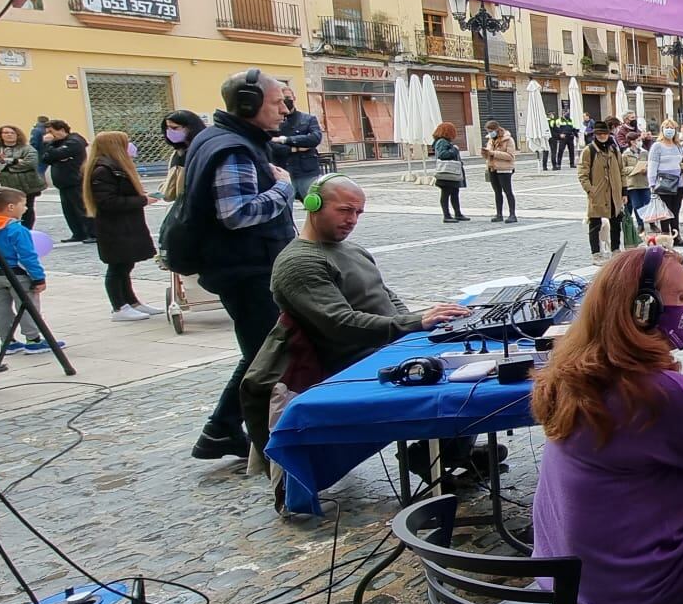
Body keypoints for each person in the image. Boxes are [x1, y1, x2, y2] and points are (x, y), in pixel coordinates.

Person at [532, 246, 683, 604]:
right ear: (643, 309)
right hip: (627, 601)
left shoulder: (580, 373)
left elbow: (666, 428)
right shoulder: (661, 392)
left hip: (565, 593)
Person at [240, 176, 471, 482]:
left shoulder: (352, 250)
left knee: (469, 354)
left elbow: (387, 297)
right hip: (353, 364)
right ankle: (437, 454)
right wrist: (415, 323)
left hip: (385, 347)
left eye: (358, 213)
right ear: (313, 206)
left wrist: (420, 329)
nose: (351, 220)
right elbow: (341, 325)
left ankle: (450, 450)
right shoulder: (300, 262)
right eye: (344, 210)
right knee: (454, 380)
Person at [177, 68, 296, 461]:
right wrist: (283, 188)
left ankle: (221, 429)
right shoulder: (233, 149)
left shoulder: (225, 139)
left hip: (243, 266)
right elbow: (237, 212)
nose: (285, 109)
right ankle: (262, 440)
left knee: (260, 351)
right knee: (268, 355)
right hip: (245, 269)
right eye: (278, 102)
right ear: (249, 104)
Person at [84, 130, 160, 322]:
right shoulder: (103, 170)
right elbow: (107, 202)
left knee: (126, 264)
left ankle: (132, 302)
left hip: (126, 225)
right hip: (115, 227)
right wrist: (141, 200)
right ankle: (119, 306)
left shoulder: (114, 167)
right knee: (117, 266)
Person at [0, 187, 55, 355]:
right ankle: (33, 340)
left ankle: (7, 340)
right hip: (18, 274)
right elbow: (28, 256)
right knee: (27, 306)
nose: (25, 208)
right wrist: (39, 278)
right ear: (11, 207)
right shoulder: (17, 230)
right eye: (23, 205)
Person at [578, 121, 628, 263]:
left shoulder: (614, 149)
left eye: (604, 133)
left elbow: (621, 170)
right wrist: (590, 189)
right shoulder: (589, 150)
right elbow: (582, 173)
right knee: (595, 223)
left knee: (616, 221)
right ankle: (596, 254)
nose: (602, 136)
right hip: (598, 192)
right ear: (595, 135)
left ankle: (615, 249)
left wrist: (624, 191)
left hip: (615, 192)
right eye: (599, 134)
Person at [39, 120, 93, 243]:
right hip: (63, 183)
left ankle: (93, 233)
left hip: (76, 180)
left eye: (51, 132)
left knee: (82, 208)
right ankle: (78, 233)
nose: (49, 135)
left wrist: (49, 145)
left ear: (62, 130)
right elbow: (45, 158)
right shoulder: (56, 143)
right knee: (69, 211)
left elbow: (57, 154)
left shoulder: (75, 140)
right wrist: (50, 149)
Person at [271, 84, 324, 200]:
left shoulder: (308, 119)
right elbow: (271, 145)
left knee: (315, 205)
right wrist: (295, 148)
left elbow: (315, 138)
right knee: (283, 208)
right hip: (284, 171)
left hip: (307, 172)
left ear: (294, 98)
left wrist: (285, 140)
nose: (286, 102)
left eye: (288, 98)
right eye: (282, 99)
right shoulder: (274, 121)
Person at [0, 125, 45, 229]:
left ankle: (27, 229)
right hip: (6, 184)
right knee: (7, 209)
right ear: (0, 135)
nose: (9, 135)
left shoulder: (27, 148)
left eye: (12, 133)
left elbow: (31, 163)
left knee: (27, 208)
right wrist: (14, 161)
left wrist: (6, 164)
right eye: (5, 133)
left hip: (27, 184)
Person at [647, 121, 683, 247]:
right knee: (664, 212)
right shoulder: (657, 146)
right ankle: (665, 236)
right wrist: (652, 184)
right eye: (667, 127)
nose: (669, 130)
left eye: (672, 128)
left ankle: (676, 236)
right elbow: (652, 165)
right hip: (663, 182)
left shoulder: (678, 146)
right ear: (662, 129)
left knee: (675, 211)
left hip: (678, 183)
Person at [160, 110, 207, 203]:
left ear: (190, 128)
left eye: (174, 128)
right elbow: (170, 191)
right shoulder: (177, 153)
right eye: (167, 128)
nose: (169, 132)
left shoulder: (202, 150)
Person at [480, 121, 518, 223]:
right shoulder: (491, 140)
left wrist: (493, 153)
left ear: (496, 129)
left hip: (504, 169)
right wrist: (485, 153)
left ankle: (512, 214)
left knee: (508, 191)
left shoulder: (508, 140)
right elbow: (489, 154)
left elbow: (510, 156)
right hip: (493, 168)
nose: (489, 133)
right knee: (497, 192)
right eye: (488, 131)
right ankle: (499, 214)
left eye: (491, 131)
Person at [431, 122, 467, 222]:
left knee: (454, 192)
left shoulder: (443, 141)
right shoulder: (442, 142)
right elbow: (443, 155)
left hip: (450, 172)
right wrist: (454, 150)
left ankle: (458, 213)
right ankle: (447, 216)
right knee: (446, 193)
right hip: (447, 172)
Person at [620, 127, 652, 240]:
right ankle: (640, 225)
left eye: (640, 140)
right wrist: (634, 169)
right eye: (637, 140)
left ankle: (651, 223)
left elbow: (650, 164)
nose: (640, 142)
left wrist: (646, 169)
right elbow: (622, 169)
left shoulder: (645, 152)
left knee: (648, 203)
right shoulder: (625, 154)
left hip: (644, 182)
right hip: (633, 184)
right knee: (637, 205)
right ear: (632, 142)